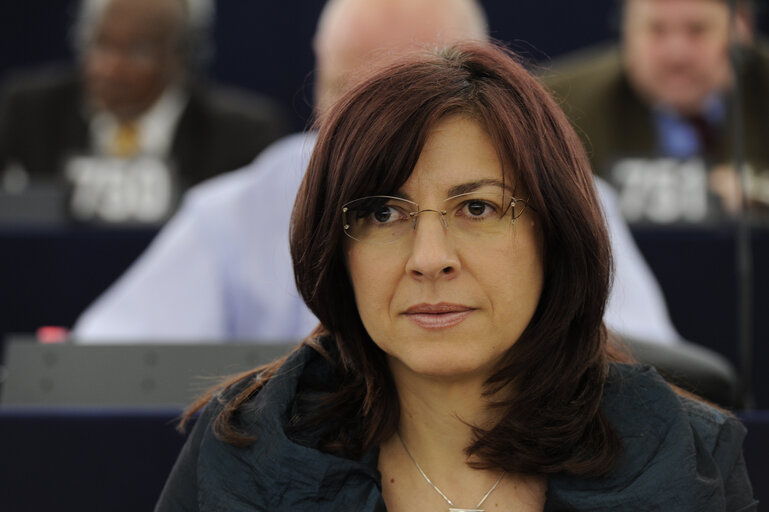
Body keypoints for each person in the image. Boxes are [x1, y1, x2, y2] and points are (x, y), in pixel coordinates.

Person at [154, 42, 755, 511]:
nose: (429, 257)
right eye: (384, 213)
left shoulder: (685, 457)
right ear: (337, 250)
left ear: (555, 234)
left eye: (477, 208)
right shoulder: (247, 445)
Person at [72, 0, 682, 345]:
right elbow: (104, 365)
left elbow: (646, 368)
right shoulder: (236, 210)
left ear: (483, 89)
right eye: (347, 94)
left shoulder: (563, 192)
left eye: (477, 209)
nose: (372, 130)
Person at [0, 0, 287, 224]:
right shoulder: (30, 113)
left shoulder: (243, 140)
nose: (110, 68)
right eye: (100, 43)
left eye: (137, 50)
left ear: (181, 56)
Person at [542, 0, 769, 224]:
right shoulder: (556, 106)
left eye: (697, 30)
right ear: (627, 34)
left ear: (742, 32)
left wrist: (758, 192)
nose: (676, 55)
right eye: (656, 30)